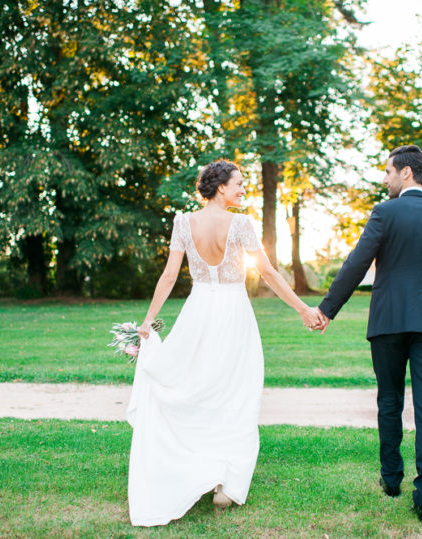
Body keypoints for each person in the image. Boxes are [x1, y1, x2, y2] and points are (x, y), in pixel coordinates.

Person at [126, 159, 324, 527]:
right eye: (238, 184)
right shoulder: (241, 224)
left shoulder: (183, 222)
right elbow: (266, 272)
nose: (243, 189)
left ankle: (206, 468)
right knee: (236, 392)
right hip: (233, 312)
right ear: (220, 188)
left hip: (198, 310)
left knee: (199, 387)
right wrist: (301, 308)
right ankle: (224, 483)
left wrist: (148, 320)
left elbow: (170, 275)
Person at [312, 145, 422, 524]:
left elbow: (357, 263)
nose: (384, 179)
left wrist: (326, 309)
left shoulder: (385, 212)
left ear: (406, 174)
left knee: (389, 399)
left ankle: (392, 479)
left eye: (387, 172)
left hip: (389, 321)